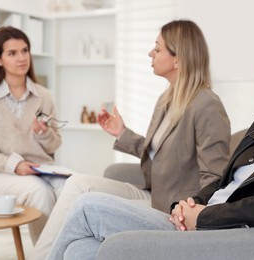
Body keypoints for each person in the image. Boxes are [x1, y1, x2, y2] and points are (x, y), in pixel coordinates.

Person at [47, 35, 254, 259]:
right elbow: (225, 181)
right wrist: (190, 204)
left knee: (88, 206)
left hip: (222, 234)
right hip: (199, 219)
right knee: (80, 251)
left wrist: (204, 217)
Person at [32, 19, 231, 259]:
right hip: (152, 193)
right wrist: (122, 133)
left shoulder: (207, 105)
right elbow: (162, 153)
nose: (151, 53)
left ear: (178, 59)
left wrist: (192, 214)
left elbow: (215, 177)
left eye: (157, 49)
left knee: (84, 217)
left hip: (173, 210)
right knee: (77, 191)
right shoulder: (167, 99)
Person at [0, 26, 65, 244]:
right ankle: (47, 256)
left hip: (41, 169)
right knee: (38, 191)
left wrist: (42, 134)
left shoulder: (44, 96)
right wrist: (15, 165)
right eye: (12, 53)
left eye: (25, 51)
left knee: (71, 187)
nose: (22, 58)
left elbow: (54, 145)